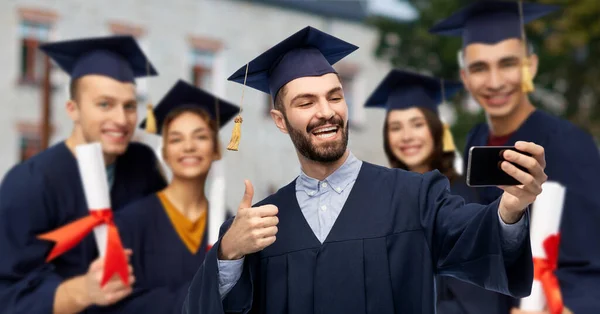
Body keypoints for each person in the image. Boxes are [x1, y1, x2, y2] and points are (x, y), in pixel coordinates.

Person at [182, 25, 548, 314]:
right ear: (280, 120)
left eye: (336, 96)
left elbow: (478, 238)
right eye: (306, 102)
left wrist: (512, 208)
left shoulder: (415, 197)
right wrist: (228, 254)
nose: (326, 111)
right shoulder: (259, 226)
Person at [430, 1, 600, 313]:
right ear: (465, 78)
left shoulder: (569, 145)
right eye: (480, 68)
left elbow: (591, 260)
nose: (494, 82)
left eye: (508, 64)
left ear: (530, 66)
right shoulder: (477, 141)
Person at [0, 35, 167, 314]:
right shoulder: (28, 183)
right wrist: (82, 291)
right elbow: (8, 294)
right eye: (105, 104)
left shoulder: (142, 164)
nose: (121, 119)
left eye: (129, 106)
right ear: (73, 109)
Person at [365, 68, 514, 314]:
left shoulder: (459, 197)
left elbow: (474, 297)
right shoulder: (384, 199)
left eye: (417, 124)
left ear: (435, 130)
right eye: (395, 127)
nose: (406, 136)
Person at [94, 79, 239, 313]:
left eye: (200, 136)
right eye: (176, 139)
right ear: (165, 154)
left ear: (216, 149)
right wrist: (202, 294)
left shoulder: (228, 224)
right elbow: (111, 304)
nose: (189, 146)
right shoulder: (130, 222)